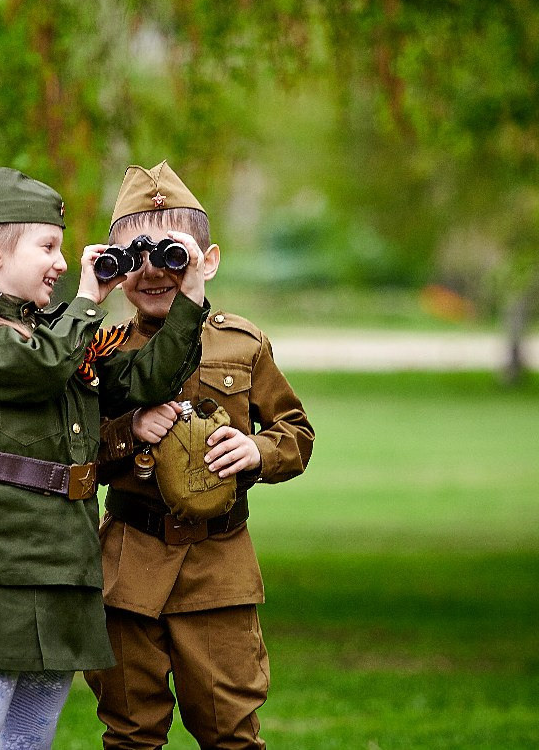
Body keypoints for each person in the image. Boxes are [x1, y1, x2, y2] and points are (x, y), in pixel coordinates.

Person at [0, 166, 210, 750]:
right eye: (49, 247)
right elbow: (39, 367)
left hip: (68, 552)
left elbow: (146, 380)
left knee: (34, 731)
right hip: (2, 556)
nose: (61, 262)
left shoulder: (58, 332)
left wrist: (190, 301)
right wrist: (87, 299)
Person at [85, 161, 316, 750]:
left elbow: (297, 432)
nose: (154, 273)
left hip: (218, 568)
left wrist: (257, 450)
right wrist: (129, 431)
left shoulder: (241, 343)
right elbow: (74, 452)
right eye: (135, 258)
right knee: (130, 733)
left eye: (173, 255)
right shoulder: (100, 352)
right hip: (129, 566)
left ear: (207, 261)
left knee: (230, 732)